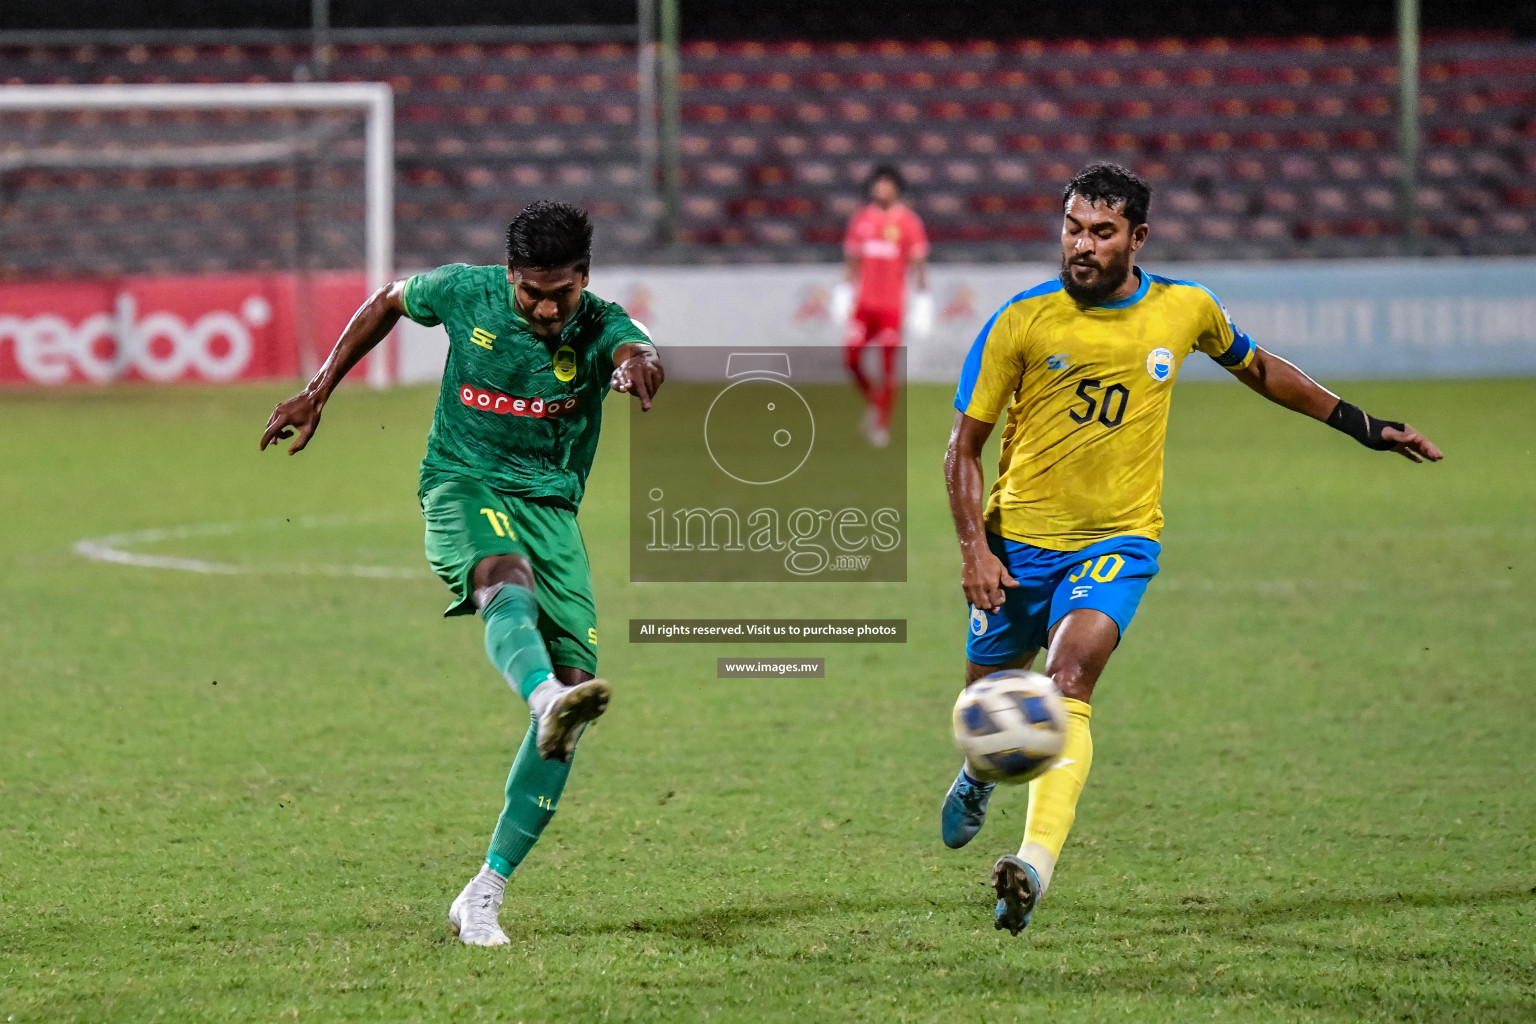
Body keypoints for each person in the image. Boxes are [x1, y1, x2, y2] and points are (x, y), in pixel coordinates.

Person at [940, 163, 1442, 936]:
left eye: (1101, 233)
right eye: (1073, 227)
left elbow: (1263, 368)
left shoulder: (1186, 309)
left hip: (1118, 541)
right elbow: (961, 450)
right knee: (989, 704)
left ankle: (1031, 868)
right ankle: (977, 774)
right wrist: (975, 550)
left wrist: (1363, 426)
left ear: (1138, 238)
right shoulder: (1021, 320)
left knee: (1067, 680)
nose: (1081, 245)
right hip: (1018, 548)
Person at [260, 200, 664, 946]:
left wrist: (639, 366)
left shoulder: (603, 322)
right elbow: (386, 302)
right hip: (462, 481)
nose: (545, 307)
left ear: (585, 280)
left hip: (552, 512)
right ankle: (539, 692)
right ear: (508, 275)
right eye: (531, 291)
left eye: (562, 292)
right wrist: (319, 388)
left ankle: (485, 890)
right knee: (501, 577)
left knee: (578, 693)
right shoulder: (463, 291)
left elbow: (638, 350)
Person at [838, 164, 929, 447]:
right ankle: (876, 403)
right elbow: (853, 260)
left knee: (888, 366)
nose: (882, 189)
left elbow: (918, 262)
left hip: (891, 307)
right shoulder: (861, 219)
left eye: (887, 185)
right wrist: (843, 290)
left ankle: (881, 424)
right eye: (878, 184)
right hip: (864, 305)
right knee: (851, 359)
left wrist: (923, 299)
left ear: (896, 189)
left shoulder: (908, 222)